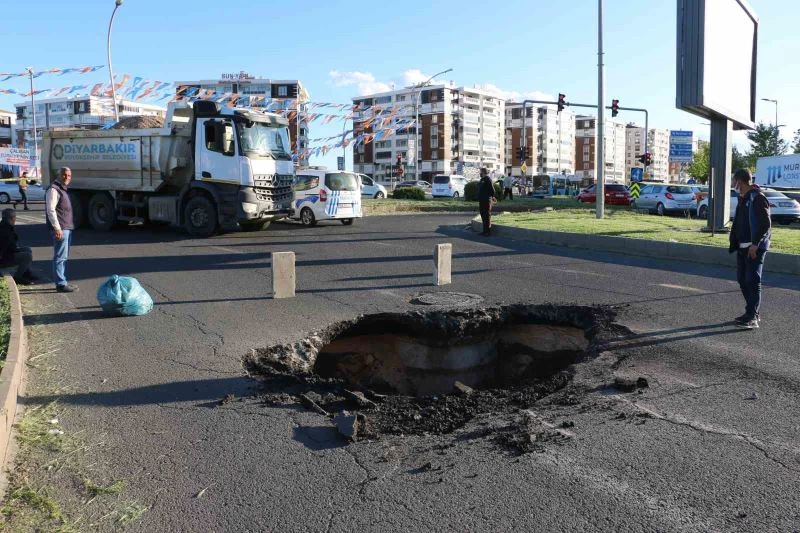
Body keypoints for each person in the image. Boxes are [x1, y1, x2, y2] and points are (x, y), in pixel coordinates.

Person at [728, 168, 770, 329]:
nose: (733, 184)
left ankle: (753, 317)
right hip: (742, 247)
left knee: (752, 281)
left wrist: (755, 244)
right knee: (742, 280)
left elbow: (765, 224)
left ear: (739, 181)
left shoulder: (757, 198)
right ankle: (750, 312)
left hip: (754, 248)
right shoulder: (743, 198)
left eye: (733, 181)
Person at [46, 167, 78, 293]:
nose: (67, 177)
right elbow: (51, 210)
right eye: (64, 175)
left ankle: (62, 281)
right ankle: (60, 284)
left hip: (66, 228)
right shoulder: (54, 190)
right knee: (60, 257)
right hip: (61, 228)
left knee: (63, 257)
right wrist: (57, 228)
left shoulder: (62, 189)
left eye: (69, 175)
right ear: (59, 175)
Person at [0, 209, 38, 285]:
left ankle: (26, 272)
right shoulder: (5, 230)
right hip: (3, 258)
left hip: (6, 253)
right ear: (12, 218)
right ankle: (17, 277)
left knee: (27, 249)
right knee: (27, 256)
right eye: (15, 217)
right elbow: (6, 247)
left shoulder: (5, 226)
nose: (15, 219)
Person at [477, 168, 497, 236]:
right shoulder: (482, 179)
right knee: (483, 215)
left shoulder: (487, 179)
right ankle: (484, 231)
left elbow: (492, 190)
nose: (479, 173)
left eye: (480, 172)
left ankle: (488, 232)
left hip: (486, 200)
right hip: (481, 200)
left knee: (487, 216)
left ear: (483, 172)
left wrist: (491, 197)